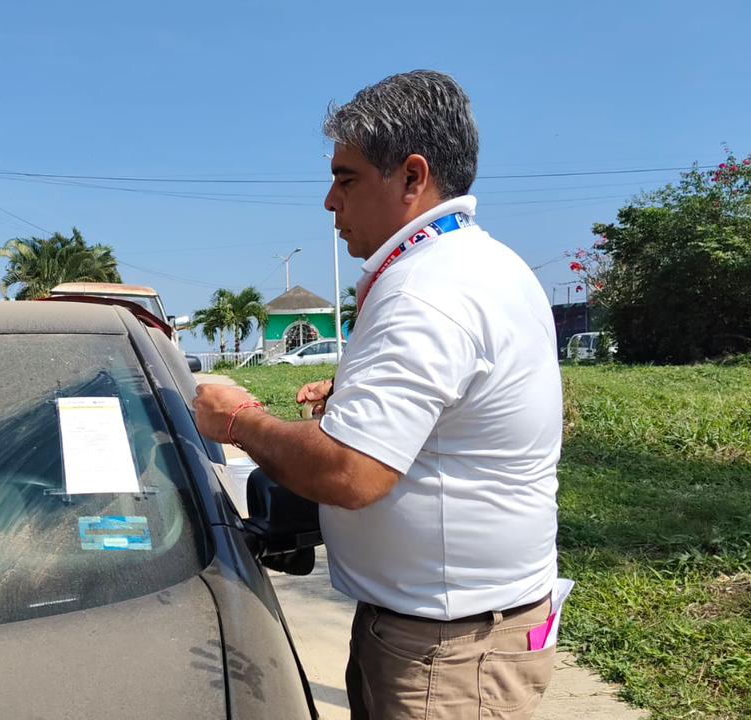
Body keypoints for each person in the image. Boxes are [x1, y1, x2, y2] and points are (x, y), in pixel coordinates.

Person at [193, 70, 563, 720]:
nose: (329, 202)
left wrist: (239, 420)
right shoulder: (480, 264)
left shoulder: (427, 290)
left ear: (412, 177)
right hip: (447, 628)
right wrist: (354, 395)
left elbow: (349, 471)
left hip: (448, 652)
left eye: (347, 179)